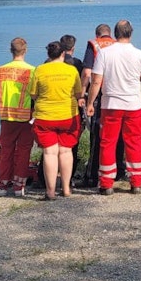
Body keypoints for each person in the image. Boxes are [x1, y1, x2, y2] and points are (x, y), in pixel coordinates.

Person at [85, 20, 141, 195]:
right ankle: (136, 182)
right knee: (134, 142)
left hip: (111, 104)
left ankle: (106, 182)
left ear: (115, 34)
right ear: (131, 33)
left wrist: (90, 103)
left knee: (107, 143)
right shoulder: (139, 54)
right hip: (133, 104)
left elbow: (96, 81)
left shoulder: (104, 53)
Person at [30, 41, 82, 200]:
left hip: (45, 116)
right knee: (66, 151)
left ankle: (50, 192)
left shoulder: (39, 70)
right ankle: (66, 189)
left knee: (49, 153)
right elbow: (78, 94)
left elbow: (33, 94)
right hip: (68, 115)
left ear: (48, 55)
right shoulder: (72, 70)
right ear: (63, 54)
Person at [0, 37, 35, 197]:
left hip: (6, 116)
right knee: (24, 152)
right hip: (25, 117)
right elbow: (35, 94)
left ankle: (2, 185)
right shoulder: (32, 71)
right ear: (26, 50)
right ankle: (18, 187)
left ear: (10, 50)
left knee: (6, 151)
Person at [79, 24, 118, 186]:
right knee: (117, 136)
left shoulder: (93, 45)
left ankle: (93, 175)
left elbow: (88, 73)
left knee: (97, 136)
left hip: (99, 94)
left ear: (97, 35)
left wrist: (82, 94)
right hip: (116, 93)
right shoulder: (118, 44)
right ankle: (117, 171)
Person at [60, 33, 86, 178]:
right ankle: (69, 176)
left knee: (51, 148)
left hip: (53, 108)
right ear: (73, 48)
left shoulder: (48, 63)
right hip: (72, 107)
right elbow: (83, 85)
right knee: (72, 144)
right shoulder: (77, 64)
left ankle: (44, 178)